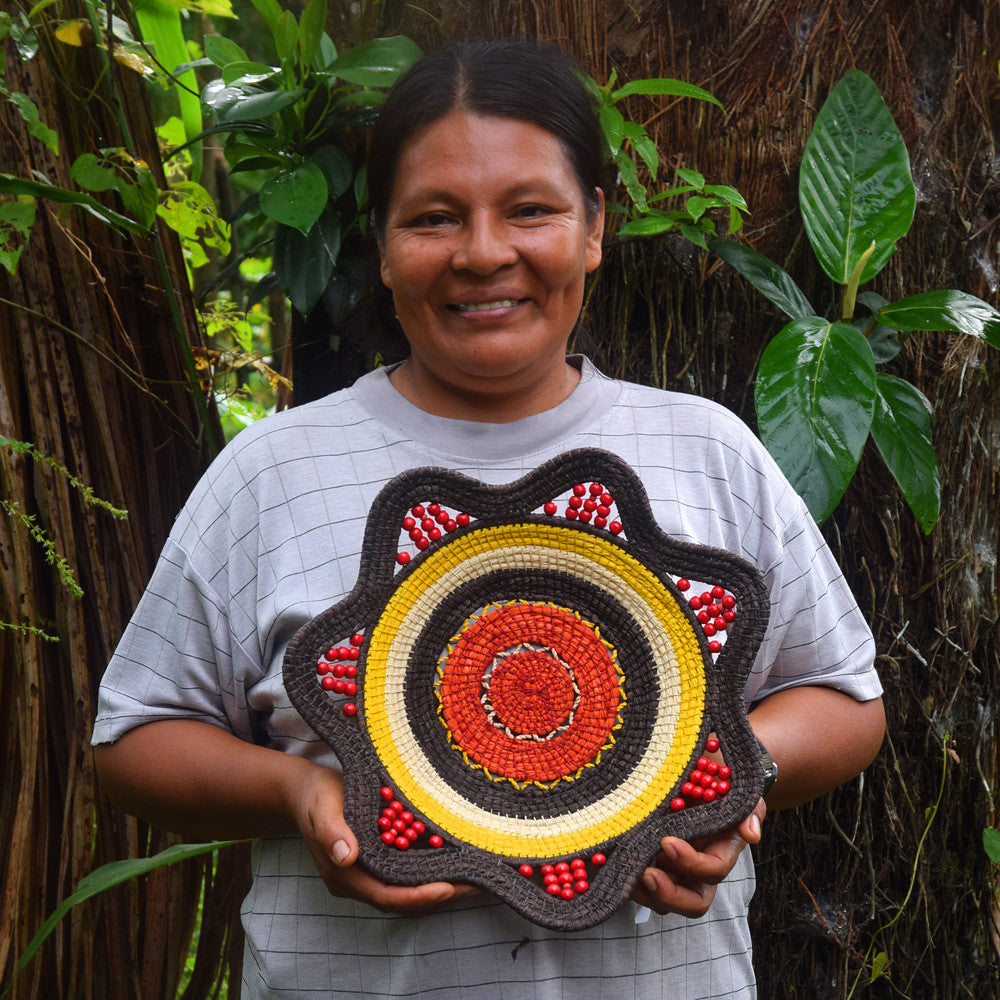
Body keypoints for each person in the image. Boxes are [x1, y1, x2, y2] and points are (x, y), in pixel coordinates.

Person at [93, 40, 885, 1000]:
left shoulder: (706, 449)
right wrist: (300, 793)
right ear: (382, 246)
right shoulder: (272, 472)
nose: (482, 253)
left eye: (530, 210)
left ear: (594, 226)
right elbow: (133, 743)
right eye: (434, 218)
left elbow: (846, 700)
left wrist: (714, 773)